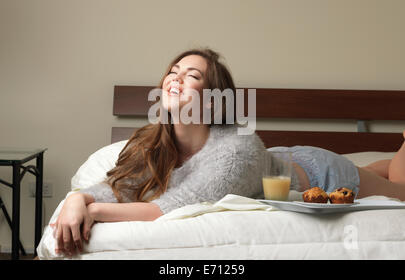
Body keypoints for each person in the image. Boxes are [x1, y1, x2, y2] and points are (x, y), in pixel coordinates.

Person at [51, 47, 405, 257]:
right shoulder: (152, 141)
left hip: (318, 173)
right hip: (277, 160)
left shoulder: (238, 150)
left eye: (191, 76)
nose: (175, 78)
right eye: (172, 72)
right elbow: (117, 186)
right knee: (386, 168)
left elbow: (175, 206)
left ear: (214, 99)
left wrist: (94, 210)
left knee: (401, 192)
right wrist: (76, 200)